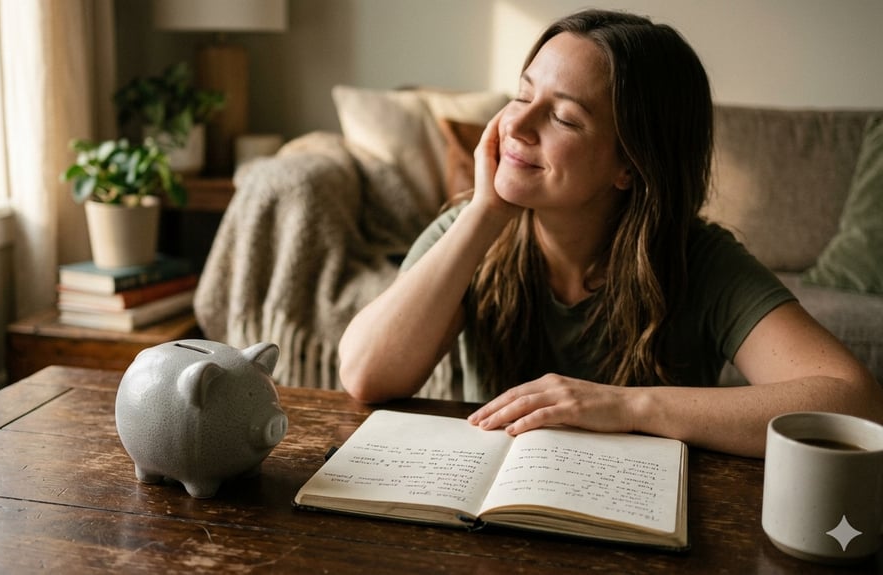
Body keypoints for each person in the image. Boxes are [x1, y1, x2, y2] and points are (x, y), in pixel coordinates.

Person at [337, 9, 883, 458]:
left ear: (631, 166)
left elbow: (852, 401)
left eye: (565, 119)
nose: (518, 127)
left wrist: (625, 406)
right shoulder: (473, 228)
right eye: (524, 96)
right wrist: (484, 213)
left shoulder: (700, 260)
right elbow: (366, 376)